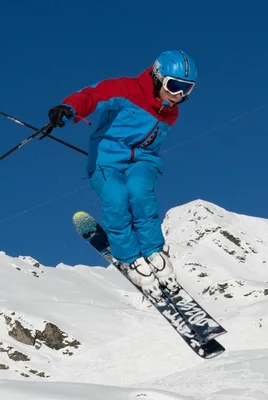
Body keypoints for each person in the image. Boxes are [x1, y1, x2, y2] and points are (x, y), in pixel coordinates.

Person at [48, 50, 197, 300]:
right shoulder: (125, 89)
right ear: (158, 77)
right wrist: (69, 108)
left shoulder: (171, 111)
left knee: (140, 193)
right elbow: (92, 96)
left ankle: (154, 252)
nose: (178, 95)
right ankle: (129, 259)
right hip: (106, 162)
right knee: (116, 198)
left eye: (187, 90)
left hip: (144, 161)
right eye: (174, 86)